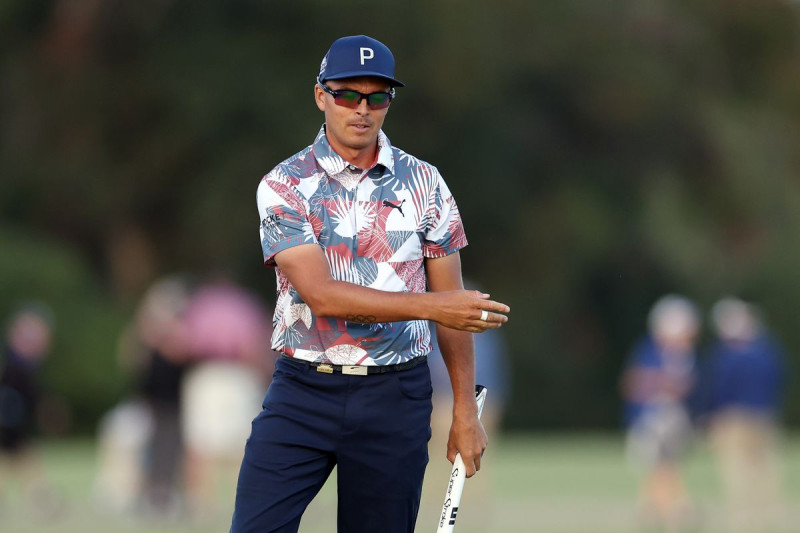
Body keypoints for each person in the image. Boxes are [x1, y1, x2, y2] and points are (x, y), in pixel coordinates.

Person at [229, 35, 510, 533]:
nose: (362, 110)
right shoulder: (284, 184)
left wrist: (465, 409)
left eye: (377, 98)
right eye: (347, 95)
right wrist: (433, 307)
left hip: (395, 396)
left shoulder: (425, 182)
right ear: (321, 96)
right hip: (303, 392)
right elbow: (321, 295)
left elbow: (453, 313)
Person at [697, 297, 786, 532]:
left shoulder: (725, 355)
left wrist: (708, 413)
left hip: (732, 417)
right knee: (764, 467)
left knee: (735, 468)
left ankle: (742, 515)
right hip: (764, 414)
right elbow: (779, 379)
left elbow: (715, 387)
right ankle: (767, 512)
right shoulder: (767, 350)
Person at [620, 295, 699, 531]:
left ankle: (653, 509)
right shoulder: (651, 351)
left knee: (667, 465)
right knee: (660, 465)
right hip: (654, 417)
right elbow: (634, 384)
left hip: (672, 417)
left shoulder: (682, 354)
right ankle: (672, 510)